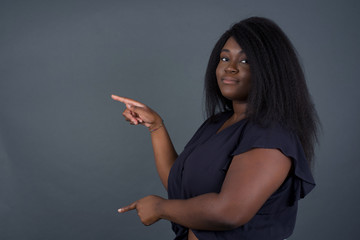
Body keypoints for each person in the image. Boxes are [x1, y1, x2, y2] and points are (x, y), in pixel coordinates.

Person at [112, 16, 319, 240]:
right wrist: (156, 126)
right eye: (224, 58)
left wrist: (160, 208)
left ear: (271, 70)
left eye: (245, 61)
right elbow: (180, 184)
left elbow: (229, 212)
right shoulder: (218, 123)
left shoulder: (270, 136)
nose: (229, 68)